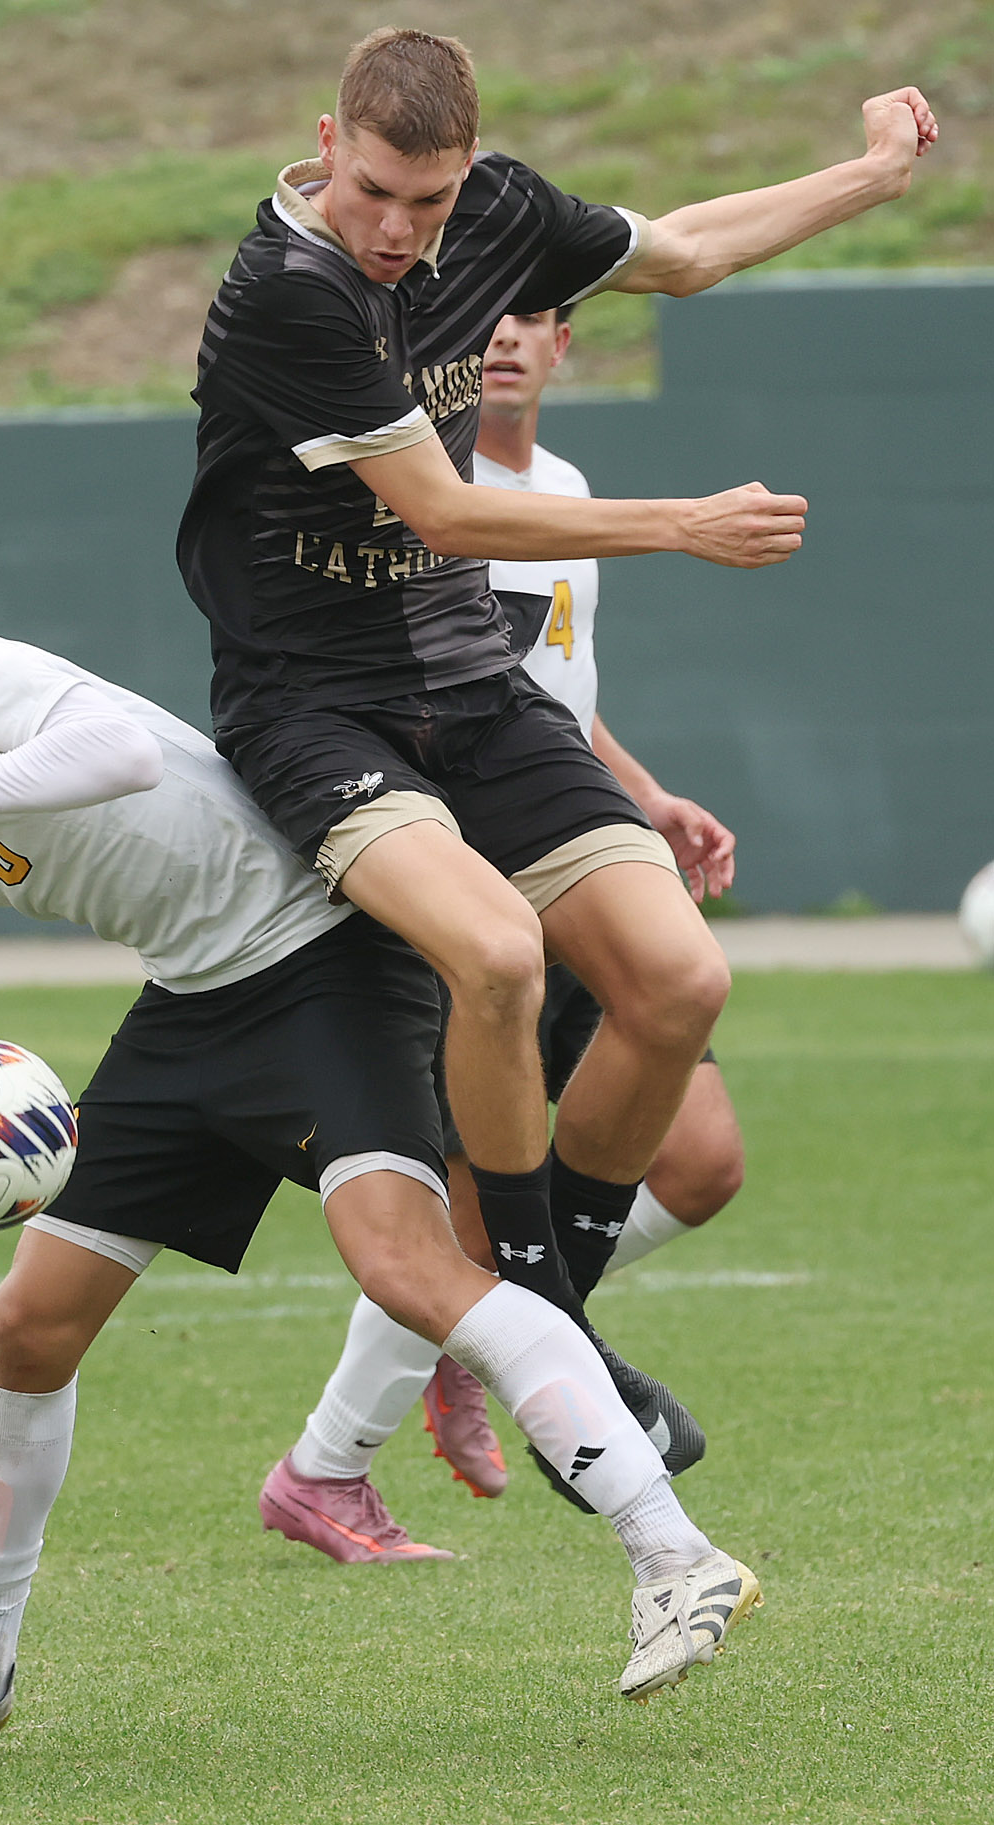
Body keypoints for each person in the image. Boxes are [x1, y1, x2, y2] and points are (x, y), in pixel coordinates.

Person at [0, 599, 758, 1753]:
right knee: (29, 1327)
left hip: (324, 960)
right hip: (188, 1006)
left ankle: (675, 1558)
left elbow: (121, 749)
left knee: (408, 1266)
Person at [177, 27, 933, 1420]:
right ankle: (542, 1346)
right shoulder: (286, 291)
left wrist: (871, 176)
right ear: (327, 141)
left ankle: (532, 1323)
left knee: (676, 981)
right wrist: (684, 523)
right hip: (312, 703)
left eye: (432, 199)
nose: (400, 229)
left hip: (471, 685)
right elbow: (447, 511)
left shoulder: (499, 211)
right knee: (498, 954)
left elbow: (688, 250)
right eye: (375, 193)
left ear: (468, 170)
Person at [261, 305, 748, 1561]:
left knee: (698, 1163)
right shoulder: (420, 486)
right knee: (477, 1209)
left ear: (570, 344)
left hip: (569, 850)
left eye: (541, 319)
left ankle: (490, 1322)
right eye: (492, 319)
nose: (514, 340)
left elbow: (547, 696)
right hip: (474, 882)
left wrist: (640, 795)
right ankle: (328, 1468)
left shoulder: (566, 490)